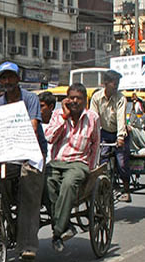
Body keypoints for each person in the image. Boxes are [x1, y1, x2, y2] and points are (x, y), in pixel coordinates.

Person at [0, 62, 47, 262]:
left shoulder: (30, 100)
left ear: (18, 78)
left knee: (28, 178)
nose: (7, 81)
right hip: (6, 155)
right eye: (3, 78)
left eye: (10, 77)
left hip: (29, 154)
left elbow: (31, 129)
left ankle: (28, 244)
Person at [44, 83, 100, 252]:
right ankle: (65, 224)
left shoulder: (93, 118)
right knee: (45, 184)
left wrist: (91, 170)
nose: (75, 101)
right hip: (57, 161)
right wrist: (64, 117)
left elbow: (96, 144)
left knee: (68, 184)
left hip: (79, 163)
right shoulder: (57, 115)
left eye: (79, 98)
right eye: (72, 98)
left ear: (85, 101)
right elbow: (50, 138)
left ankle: (57, 232)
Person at [90, 70, 131, 202]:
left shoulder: (121, 98)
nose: (116, 86)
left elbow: (121, 119)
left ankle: (126, 190)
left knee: (122, 162)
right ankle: (103, 186)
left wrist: (120, 137)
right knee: (100, 160)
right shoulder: (96, 97)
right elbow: (93, 118)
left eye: (118, 84)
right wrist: (92, 136)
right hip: (104, 133)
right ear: (105, 84)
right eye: (114, 84)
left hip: (119, 132)